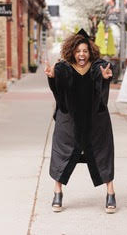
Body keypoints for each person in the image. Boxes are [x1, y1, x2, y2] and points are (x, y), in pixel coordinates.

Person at [44, 29, 116, 214]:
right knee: (61, 153)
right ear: (71, 52)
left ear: (90, 51)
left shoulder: (97, 67)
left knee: (103, 153)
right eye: (78, 51)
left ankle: (110, 193)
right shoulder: (64, 68)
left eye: (85, 50)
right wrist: (52, 77)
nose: (81, 54)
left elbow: (104, 78)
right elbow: (58, 89)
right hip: (69, 122)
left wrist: (106, 77)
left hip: (95, 122)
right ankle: (57, 192)